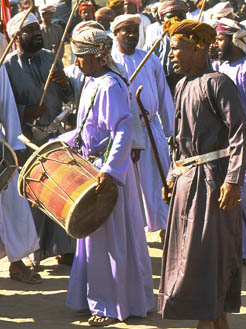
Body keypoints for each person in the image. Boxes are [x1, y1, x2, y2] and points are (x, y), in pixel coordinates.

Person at [57, 23, 154, 326]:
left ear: (99, 55)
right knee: (94, 240)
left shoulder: (111, 84)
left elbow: (122, 129)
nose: (77, 62)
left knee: (112, 242)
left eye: (81, 57)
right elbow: (88, 127)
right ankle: (96, 299)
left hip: (107, 175)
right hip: (93, 169)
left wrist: (110, 171)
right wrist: (62, 143)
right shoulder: (91, 82)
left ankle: (112, 305)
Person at [158, 18, 246, 329]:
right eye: (171, 49)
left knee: (210, 253)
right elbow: (178, 140)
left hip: (214, 182)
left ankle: (211, 320)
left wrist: (233, 179)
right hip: (187, 182)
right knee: (189, 254)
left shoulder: (218, 82)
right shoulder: (182, 85)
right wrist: (172, 175)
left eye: (176, 48)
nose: (172, 55)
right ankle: (212, 320)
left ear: (198, 48)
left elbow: (240, 132)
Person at [4, 11, 75, 268]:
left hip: (55, 137)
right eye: (30, 31)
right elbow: (5, 106)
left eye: (37, 30)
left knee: (61, 192)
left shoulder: (51, 58)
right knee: (34, 196)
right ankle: (36, 252)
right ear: (16, 37)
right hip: (26, 141)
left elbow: (70, 97)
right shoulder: (8, 66)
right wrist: (25, 110)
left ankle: (64, 249)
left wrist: (65, 82)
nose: (36, 34)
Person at [111, 14, 175, 239]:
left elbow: (164, 96)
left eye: (134, 31)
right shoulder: (110, 62)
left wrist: (171, 133)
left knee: (160, 179)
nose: (131, 35)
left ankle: (167, 229)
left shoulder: (150, 59)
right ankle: (135, 237)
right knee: (131, 187)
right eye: (126, 30)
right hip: (124, 133)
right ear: (116, 33)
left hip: (151, 128)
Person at [0, 64, 41, 284]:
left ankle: (17, 264)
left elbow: (6, 104)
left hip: (0, 151)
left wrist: (15, 143)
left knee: (12, 206)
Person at [214, 18, 246, 260]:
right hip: (228, 143)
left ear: (234, 40)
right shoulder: (219, 69)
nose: (215, 45)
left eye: (219, 39)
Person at [143, 0, 189, 95]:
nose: (177, 21)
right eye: (170, 17)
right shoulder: (153, 46)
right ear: (162, 21)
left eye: (181, 16)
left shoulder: (198, 42)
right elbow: (146, 75)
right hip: (164, 95)